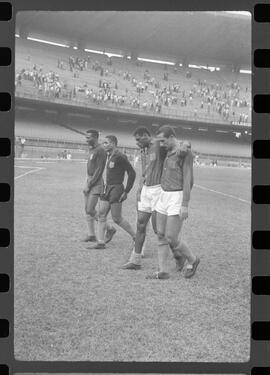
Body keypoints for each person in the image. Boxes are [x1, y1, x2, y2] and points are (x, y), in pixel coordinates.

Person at [147, 125, 199, 280]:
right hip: (163, 195)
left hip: (176, 196)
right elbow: (151, 143)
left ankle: (192, 259)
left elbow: (188, 179)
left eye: (163, 141)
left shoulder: (184, 153)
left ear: (171, 137)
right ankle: (163, 271)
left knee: (171, 237)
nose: (161, 145)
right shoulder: (166, 150)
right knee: (160, 234)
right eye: (160, 142)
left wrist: (185, 204)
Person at [121, 126, 168, 270]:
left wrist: (184, 147)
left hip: (158, 190)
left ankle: (178, 255)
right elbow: (144, 171)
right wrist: (140, 188)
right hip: (146, 190)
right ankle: (135, 260)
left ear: (147, 136)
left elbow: (175, 144)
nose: (137, 143)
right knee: (140, 225)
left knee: (158, 229)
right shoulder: (143, 150)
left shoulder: (159, 145)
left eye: (139, 139)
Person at [93, 135, 136, 249]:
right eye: (103, 143)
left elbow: (132, 173)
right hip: (107, 188)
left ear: (113, 143)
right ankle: (100, 242)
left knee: (117, 218)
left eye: (106, 143)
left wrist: (126, 191)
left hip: (116, 189)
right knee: (101, 214)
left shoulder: (120, 156)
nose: (104, 145)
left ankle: (136, 237)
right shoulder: (108, 155)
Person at [82, 129, 116, 243]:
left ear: (95, 138)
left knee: (90, 209)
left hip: (96, 183)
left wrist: (90, 184)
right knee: (87, 209)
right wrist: (86, 181)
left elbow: (99, 169)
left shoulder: (101, 150)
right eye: (86, 137)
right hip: (89, 179)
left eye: (88, 138)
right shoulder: (91, 149)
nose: (86, 140)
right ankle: (91, 234)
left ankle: (110, 228)